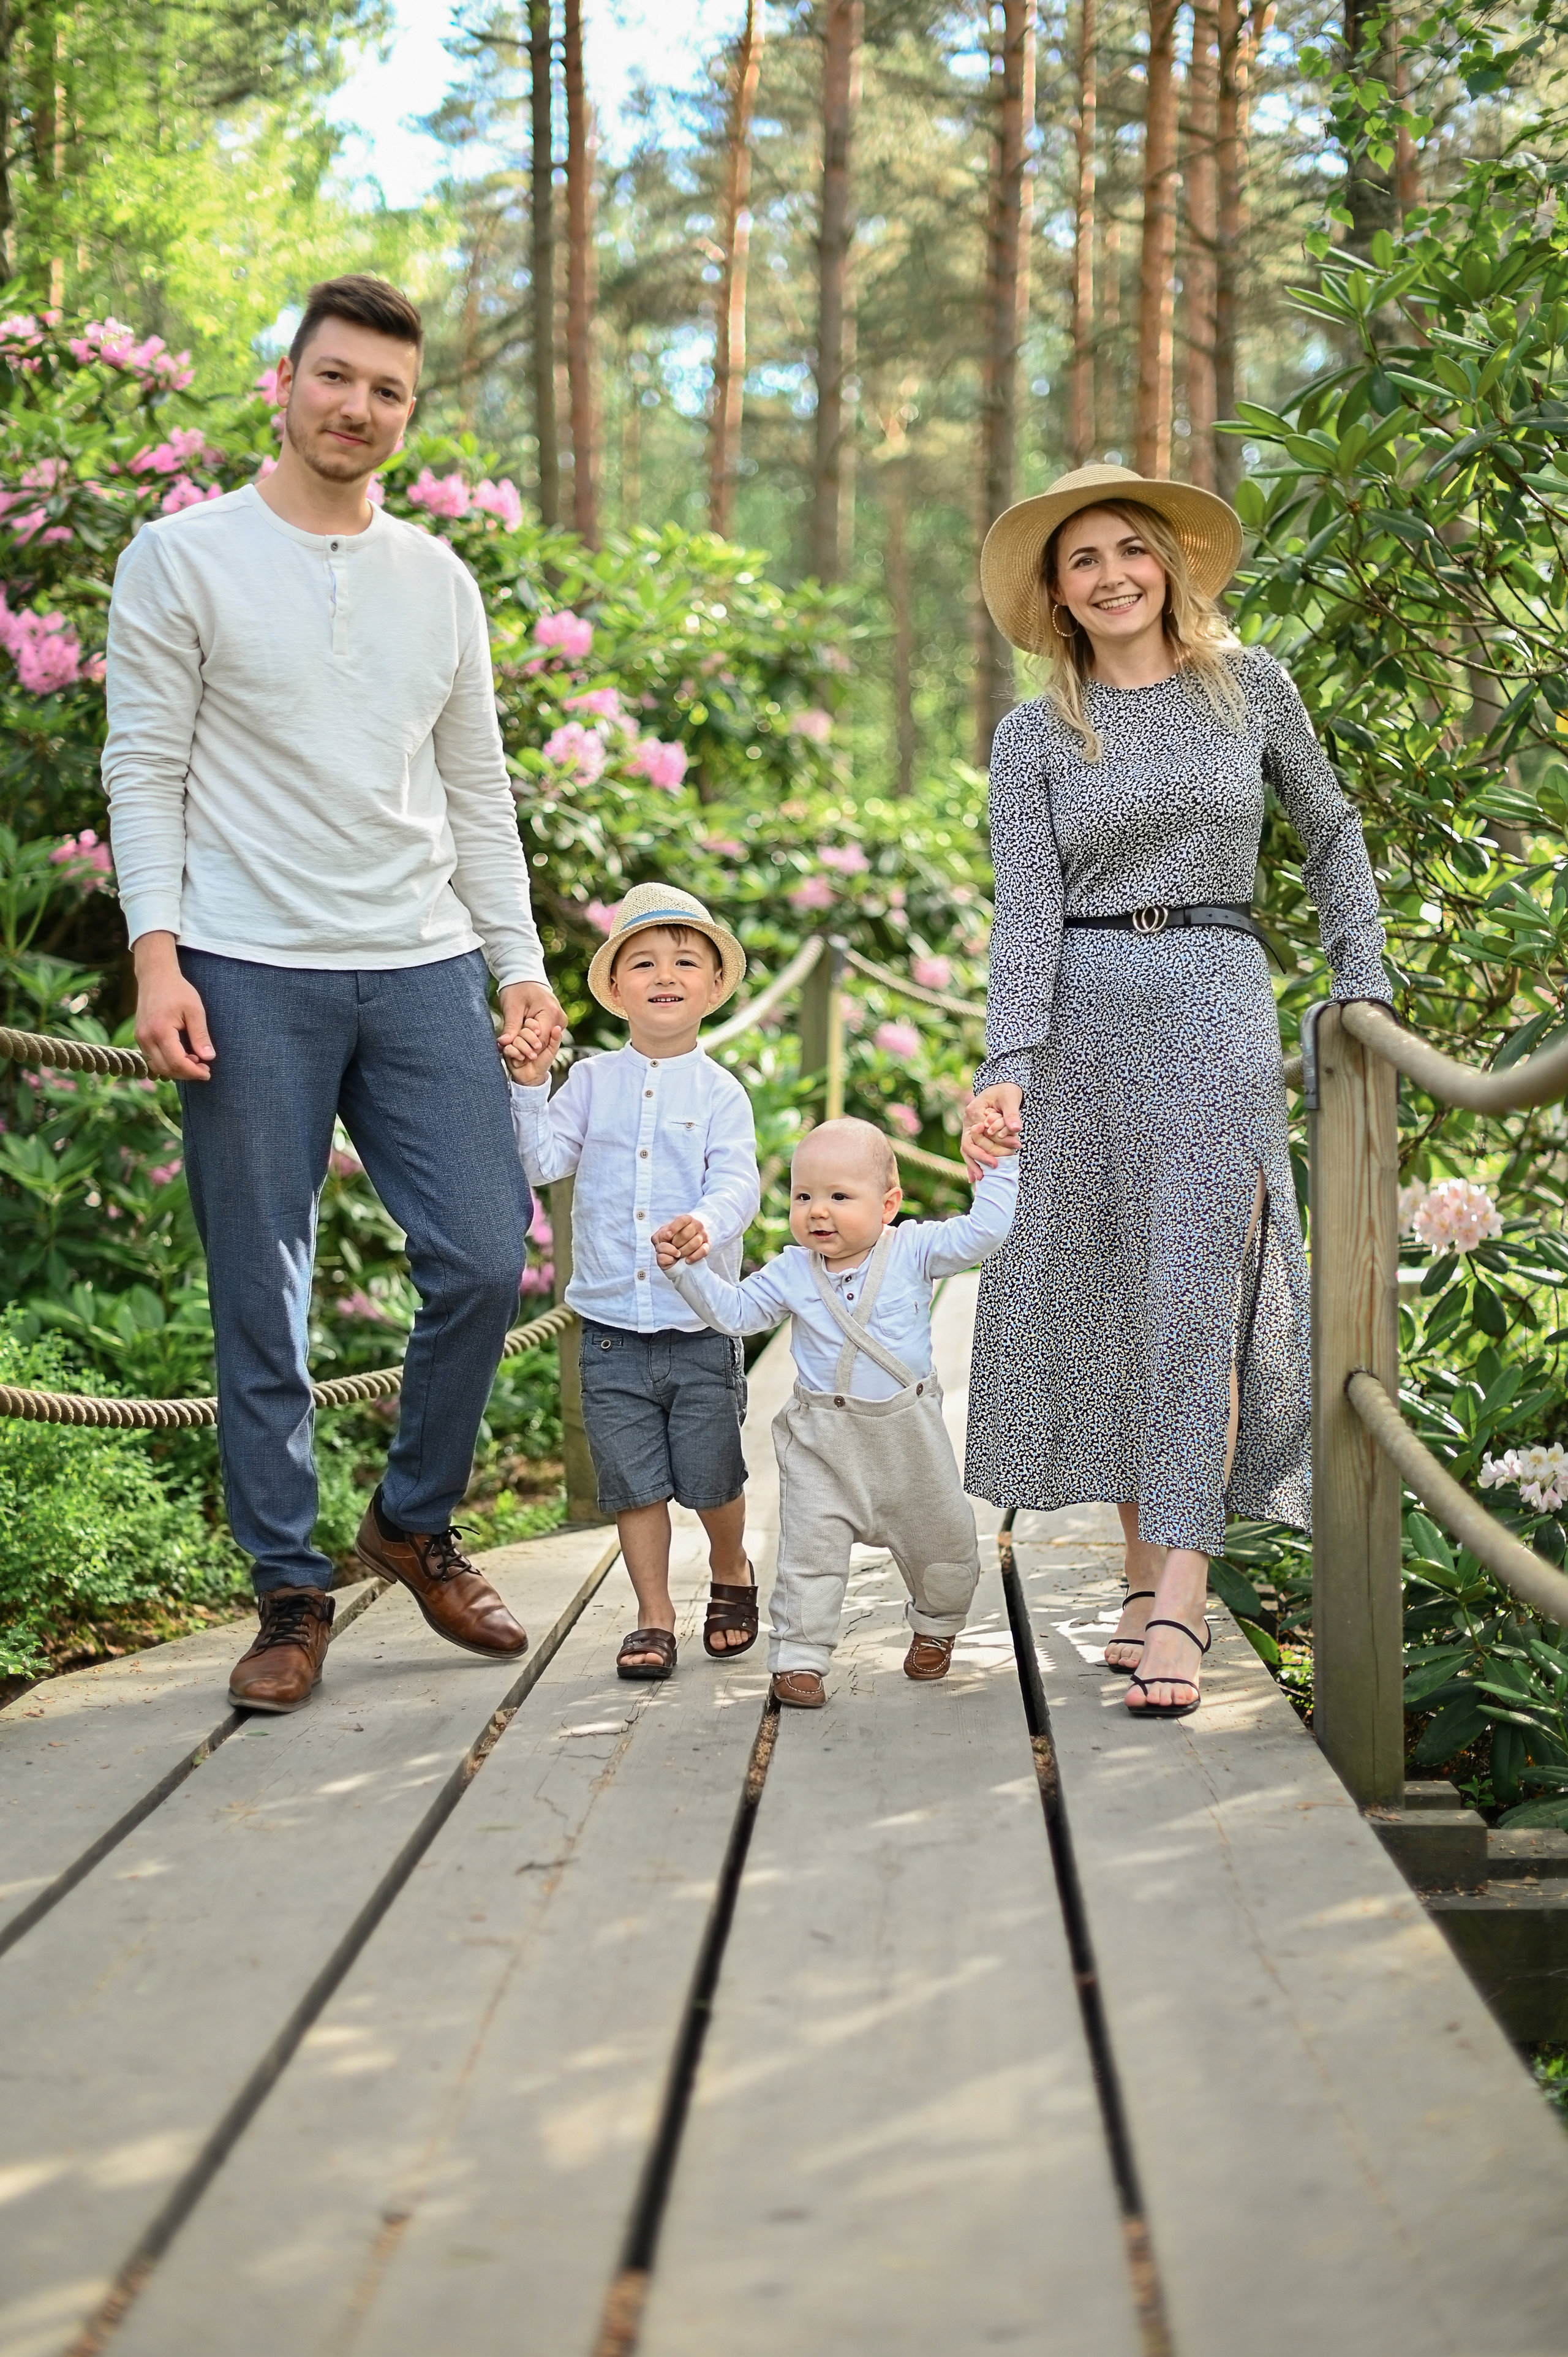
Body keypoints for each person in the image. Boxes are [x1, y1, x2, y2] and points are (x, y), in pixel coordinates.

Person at [102, 274, 564, 1714]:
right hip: (246, 967)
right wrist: (157, 954)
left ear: (404, 416)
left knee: (487, 1254)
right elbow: (145, 771)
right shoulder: (180, 559)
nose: (357, 408)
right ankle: (288, 1591)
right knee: (264, 1291)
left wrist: (520, 960)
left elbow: (477, 788)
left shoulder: (439, 578)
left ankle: (410, 1519)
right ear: (284, 381)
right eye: (336, 377)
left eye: (386, 392)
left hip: (420, 958)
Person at [961, 461, 1392, 1720]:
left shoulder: (1247, 688)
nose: (1109, 577)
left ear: (1169, 564)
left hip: (1212, 996)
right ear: (1056, 592)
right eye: (1080, 560)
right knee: (1113, 1289)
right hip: (1081, 1014)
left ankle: (1181, 1601)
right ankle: (1145, 1577)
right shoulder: (1034, 732)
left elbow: (1330, 830)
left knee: (1200, 1289)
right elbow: (1023, 915)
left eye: (1127, 551)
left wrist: (1357, 980)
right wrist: (1006, 1063)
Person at [656, 1116, 1020, 1709]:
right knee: (807, 1554)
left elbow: (984, 1233)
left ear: (888, 1204)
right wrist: (685, 1271)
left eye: (838, 1196)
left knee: (945, 1545)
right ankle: (799, 1658)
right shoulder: (793, 1272)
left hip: (909, 1445)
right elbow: (738, 1313)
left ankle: (935, 1624)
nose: (817, 1211)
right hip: (824, 1444)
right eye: (803, 1196)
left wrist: (999, 1172)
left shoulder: (913, 1250)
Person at [503, 883, 761, 1680]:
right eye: (643, 961)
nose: (665, 974)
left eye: (687, 960)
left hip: (700, 1325)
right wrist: (529, 1083)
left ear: (714, 986)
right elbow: (543, 1160)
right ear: (616, 989)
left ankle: (730, 1567)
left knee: (712, 1475)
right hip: (612, 1327)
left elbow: (740, 1182)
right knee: (633, 1485)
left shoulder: (722, 1092)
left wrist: (709, 1225)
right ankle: (654, 1616)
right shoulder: (588, 1084)